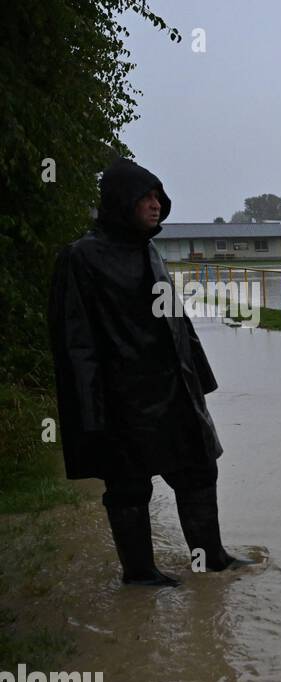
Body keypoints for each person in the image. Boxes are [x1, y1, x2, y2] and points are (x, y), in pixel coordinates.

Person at [47, 156, 254, 586]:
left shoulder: (150, 249)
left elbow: (176, 319)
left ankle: (209, 558)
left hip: (174, 389)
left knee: (199, 470)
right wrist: (90, 411)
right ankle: (139, 574)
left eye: (158, 196)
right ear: (121, 202)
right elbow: (76, 342)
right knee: (128, 486)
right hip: (122, 397)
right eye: (146, 197)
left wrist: (199, 376)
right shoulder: (80, 258)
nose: (155, 204)